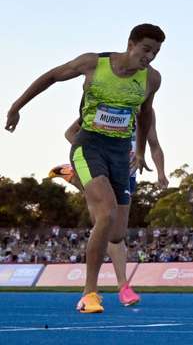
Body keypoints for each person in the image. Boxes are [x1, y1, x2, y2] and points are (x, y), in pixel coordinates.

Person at [6, 23, 165, 313]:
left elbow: (146, 113)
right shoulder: (94, 63)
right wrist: (17, 106)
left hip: (120, 154)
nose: (150, 57)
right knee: (105, 214)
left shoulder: (151, 79)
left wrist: (140, 152)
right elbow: (52, 76)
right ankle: (89, 293)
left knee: (116, 234)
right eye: (146, 50)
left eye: (155, 52)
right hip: (89, 145)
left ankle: (74, 178)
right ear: (130, 44)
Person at [50, 116, 167, 306]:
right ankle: (115, 288)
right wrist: (94, 154)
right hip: (100, 167)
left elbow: (154, 144)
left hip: (126, 174)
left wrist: (161, 172)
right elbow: (70, 133)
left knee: (116, 234)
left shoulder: (147, 112)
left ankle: (72, 176)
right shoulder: (105, 101)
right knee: (105, 218)